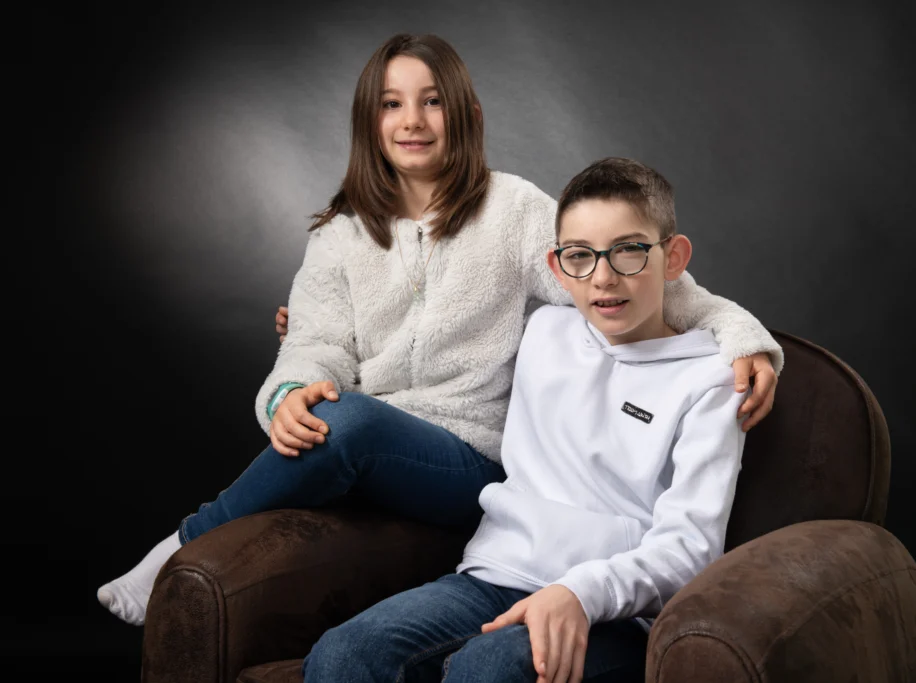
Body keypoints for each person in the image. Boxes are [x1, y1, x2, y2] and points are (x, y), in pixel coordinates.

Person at [96, 33, 782, 627]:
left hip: (470, 459)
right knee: (343, 417)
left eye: (432, 100)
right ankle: (194, 543)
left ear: (466, 115)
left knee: (354, 423)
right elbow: (314, 340)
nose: (412, 120)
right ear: (370, 121)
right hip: (369, 441)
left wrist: (741, 334)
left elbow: (631, 275)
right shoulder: (338, 236)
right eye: (391, 103)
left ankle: (181, 542)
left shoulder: (514, 211)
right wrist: (292, 392)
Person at [302, 156, 750, 683]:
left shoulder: (714, 381)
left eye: (629, 251)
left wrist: (580, 594)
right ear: (557, 268)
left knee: (487, 670)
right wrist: (315, 332)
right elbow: (429, 342)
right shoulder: (541, 330)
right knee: (345, 653)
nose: (603, 278)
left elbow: (692, 547)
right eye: (581, 256)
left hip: (614, 611)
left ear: (672, 258)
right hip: (492, 576)